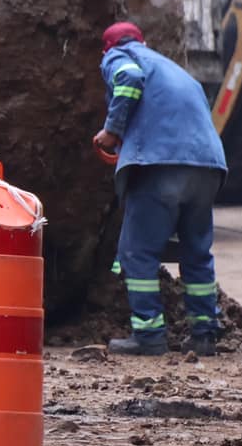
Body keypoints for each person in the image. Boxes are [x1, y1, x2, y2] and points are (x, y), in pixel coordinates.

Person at [92, 21, 230, 357]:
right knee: (196, 252)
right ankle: (204, 335)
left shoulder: (120, 57)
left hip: (162, 166)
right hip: (208, 166)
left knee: (137, 252)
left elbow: (128, 80)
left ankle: (149, 336)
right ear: (145, 40)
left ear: (107, 49)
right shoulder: (174, 70)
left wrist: (111, 131)